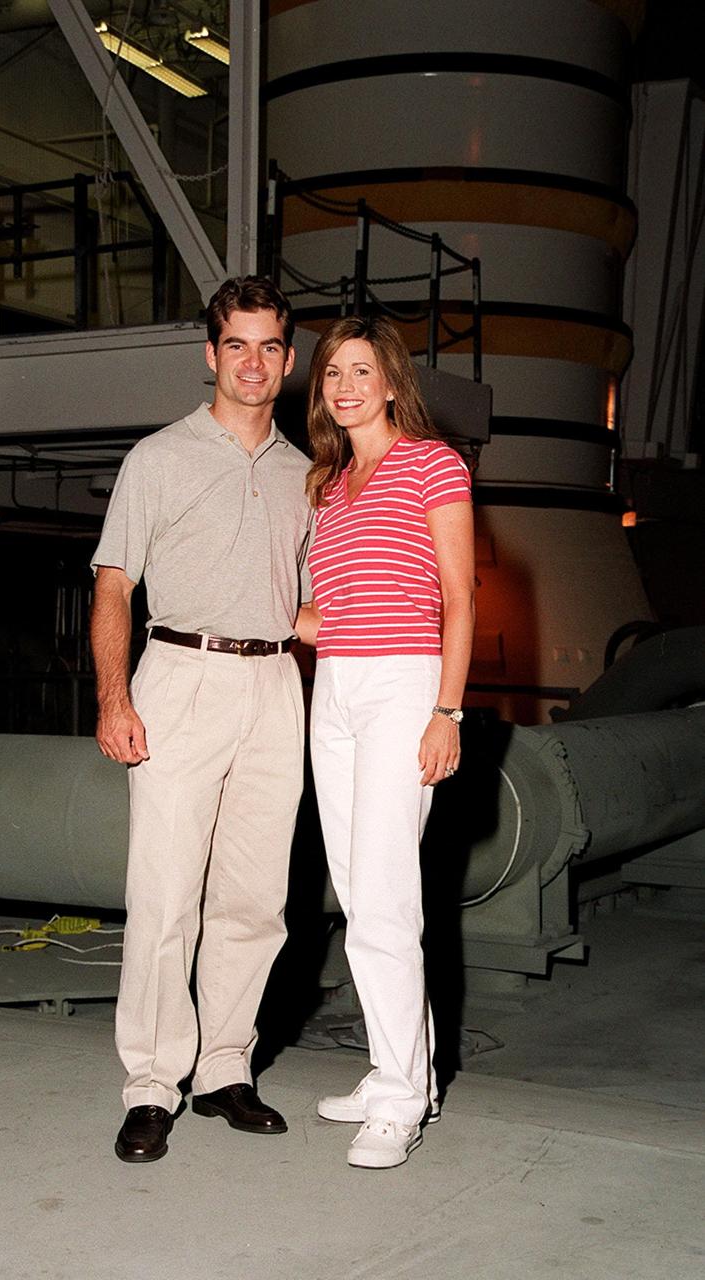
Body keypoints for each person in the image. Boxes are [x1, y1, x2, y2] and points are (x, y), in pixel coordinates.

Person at [91, 277, 312, 1163]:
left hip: (274, 686)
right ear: (209, 354)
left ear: (287, 362)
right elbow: (115, 584)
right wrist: (114, 698)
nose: (252, 363)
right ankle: (151, 1084)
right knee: (164, 896)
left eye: (269, 347)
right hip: (180, 675)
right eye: (236, 345)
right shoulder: (158, 458)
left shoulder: (304, 473)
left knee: (255, 900)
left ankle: (224, 1070)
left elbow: (305, 609)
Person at [296, 315, 475, 1170]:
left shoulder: (433, 463)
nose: (345, 386)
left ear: (392, 382)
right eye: (333, 371)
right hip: (333, 685)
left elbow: (459, 596)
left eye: (361, 370)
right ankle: (397, 1072)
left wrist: (448, 711)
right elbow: (322, 612)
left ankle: (402, 1099)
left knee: (386, 896)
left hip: (404, 684)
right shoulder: (327, 484)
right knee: (359, 894)